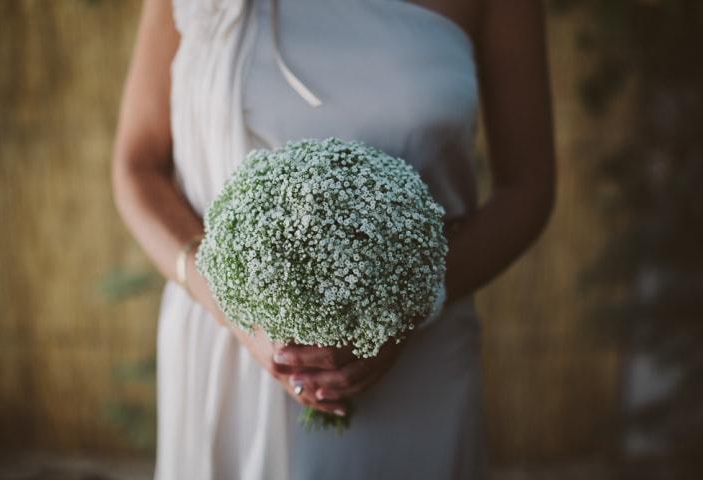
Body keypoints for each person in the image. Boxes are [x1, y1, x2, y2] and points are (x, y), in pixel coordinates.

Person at [111, 0, 556, 478]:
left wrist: (406, 305)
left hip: (421, 357)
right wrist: (230, 303)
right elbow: (137, 167)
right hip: (225, 352)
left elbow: (527, 189)